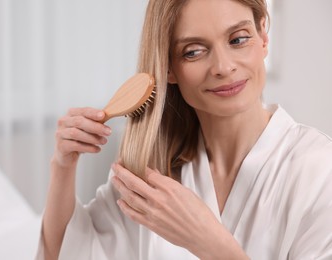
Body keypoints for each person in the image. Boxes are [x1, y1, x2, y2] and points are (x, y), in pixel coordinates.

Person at [37, 0, 332, 259]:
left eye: (239, 39)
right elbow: (66, 253)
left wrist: (209, 243)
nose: (223, 66)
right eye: (193, 52)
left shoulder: (318, 170)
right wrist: (63, 165)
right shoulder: (151, 174)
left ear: (263, 35)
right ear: (168, 68)